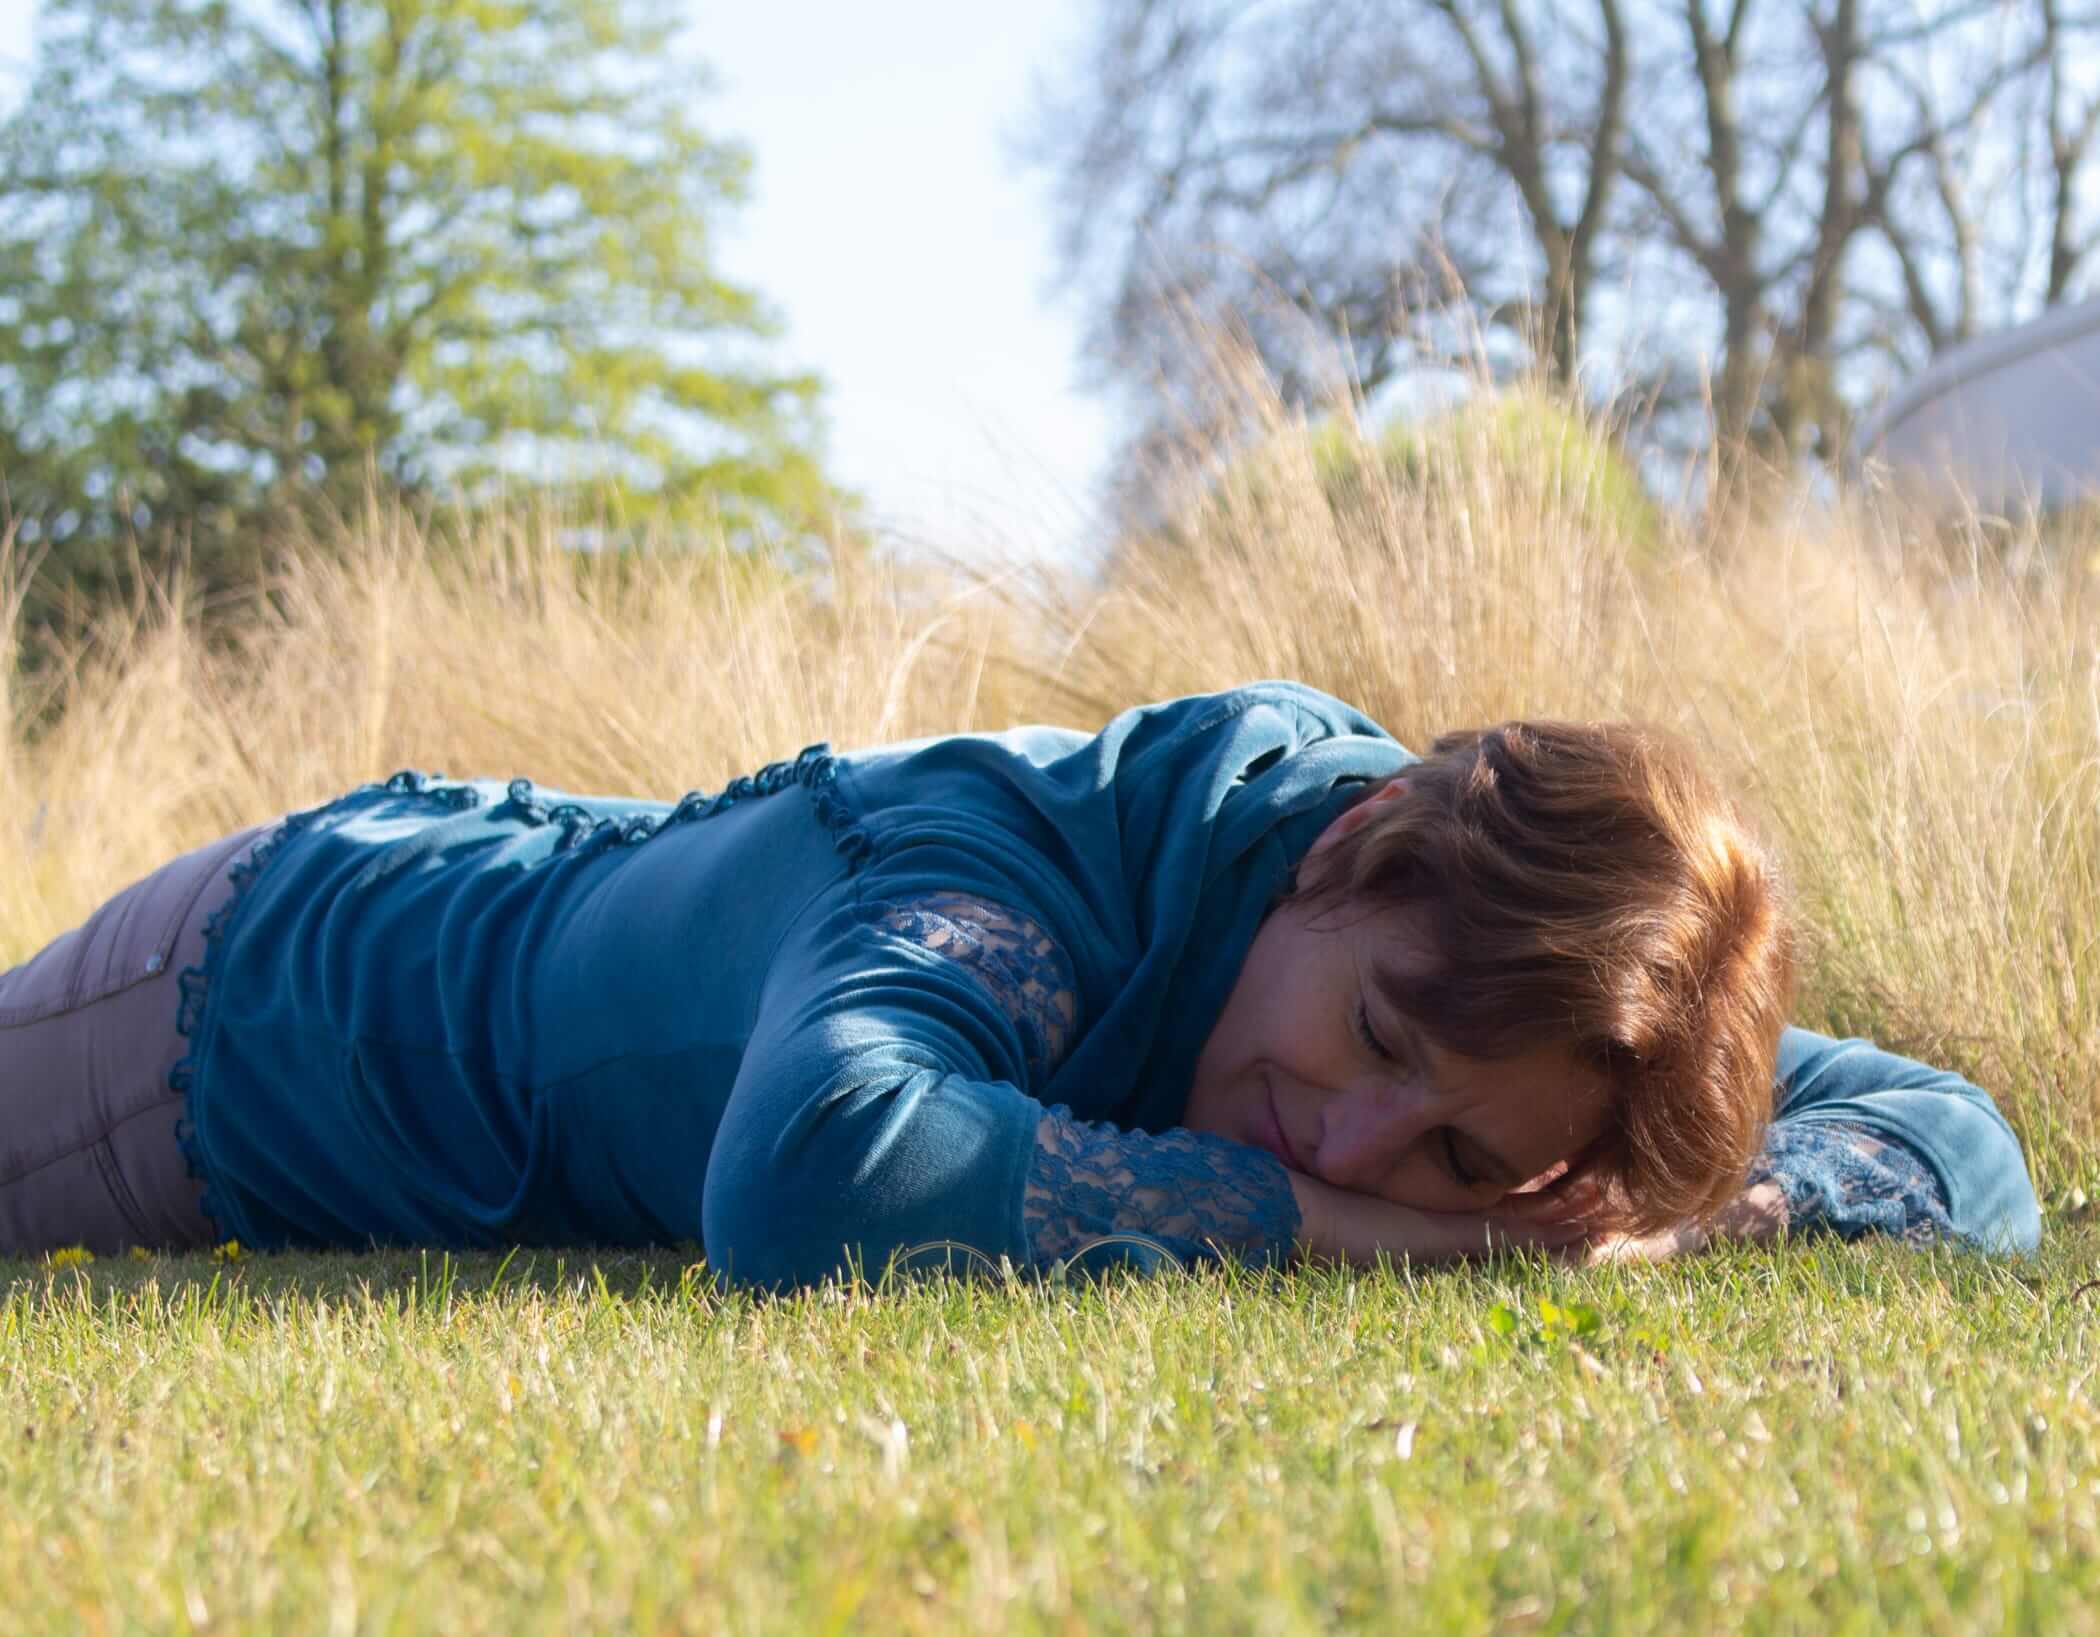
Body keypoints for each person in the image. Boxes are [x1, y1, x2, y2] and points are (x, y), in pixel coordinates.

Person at [0, 681, 2041, 1282]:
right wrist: (1363, 1231)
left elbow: (1958, 1147)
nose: (1346, 1129)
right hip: (258, 997)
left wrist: (1669, 1225)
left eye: (1456, 1156)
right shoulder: (1018, 872)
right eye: (1377, 1040)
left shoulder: (1518, 1027)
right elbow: (814, 1171)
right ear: (1344, 856)